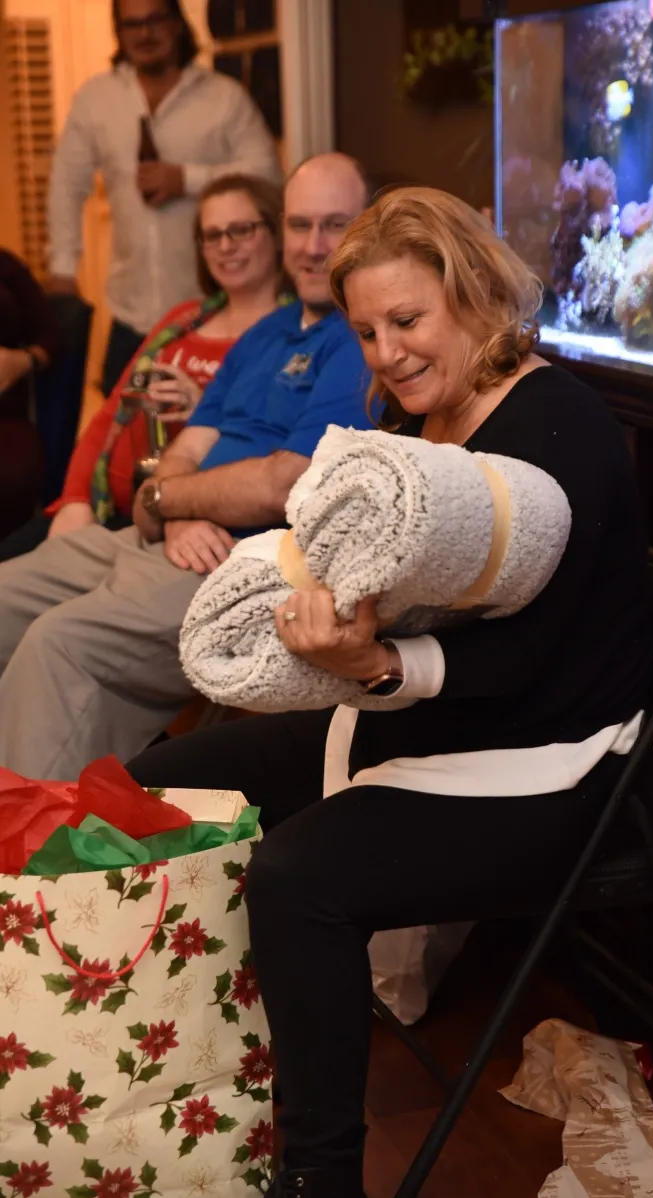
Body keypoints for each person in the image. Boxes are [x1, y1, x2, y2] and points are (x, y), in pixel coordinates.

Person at [126, 187, 653, 1198]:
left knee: (297, 879)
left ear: (475, 292)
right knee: (158, 786)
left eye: (406, 321)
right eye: (366, 331)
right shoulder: (412, 419)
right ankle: (188, 1086)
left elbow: (529, 662)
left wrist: (373, 666)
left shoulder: (561, 426)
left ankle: (318, 1178)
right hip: (421, 716)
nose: (387, 353)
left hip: (545, 762)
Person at [0, 152, 373, 780]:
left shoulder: (362, 337)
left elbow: (284, 482)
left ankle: (26, 834)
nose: (314, 246)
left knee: (59, 643)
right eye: (300, 224)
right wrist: (170, 506)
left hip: (240, 561)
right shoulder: (264, 333)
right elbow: (187, 448)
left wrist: (170, 499)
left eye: (334, 225)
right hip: (161, 534)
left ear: (366, 229)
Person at [0, 173, 285, 563]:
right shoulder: (182, 321)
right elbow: (108, 416)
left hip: (173, 524)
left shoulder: (290, 336)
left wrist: (205, 408)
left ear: (276, 234)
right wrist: (75, 500)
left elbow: (271, 450)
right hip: (101, 507)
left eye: (241, 230)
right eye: (212, 235)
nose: (225, 246)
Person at [46, 0, 281, 397]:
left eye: (155, 20)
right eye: (132, 24)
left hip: (213, 308)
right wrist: (63, 266)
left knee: (216, 421)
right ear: (119, 32)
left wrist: (186, 179)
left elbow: (268, 177)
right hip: (130, 315)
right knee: (123, 426)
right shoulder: (96, 99)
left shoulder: (224, 98)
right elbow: (66, 184)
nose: (145, 33)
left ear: (177, 24)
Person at [0, 249, 60, 540]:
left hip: (7, 418)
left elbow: (51, 336)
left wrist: (25, 359)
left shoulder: (5, 265)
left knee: (12, 475)